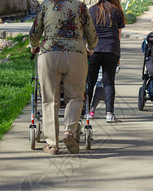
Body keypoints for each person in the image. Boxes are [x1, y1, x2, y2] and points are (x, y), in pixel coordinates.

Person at [29, 0, 98, 155]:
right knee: (75, 97)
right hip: (76, 55)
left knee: (49, 100)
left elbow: (35, 31)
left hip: (50, 54)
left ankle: (53, 144)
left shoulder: (47, 5)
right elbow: (91, 33)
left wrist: (34, 45)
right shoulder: (80, 6)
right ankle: (69, 132)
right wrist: (91, 47)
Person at [86, 0, 125, 123]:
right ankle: (109, 113)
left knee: (90, 81)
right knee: (109, 82)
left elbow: (87, 32)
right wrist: (118, 56)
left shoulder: (91, 10)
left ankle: (86, 111)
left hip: (94, 50)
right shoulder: (117, 11)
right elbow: (118, 37)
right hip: (111, 49)